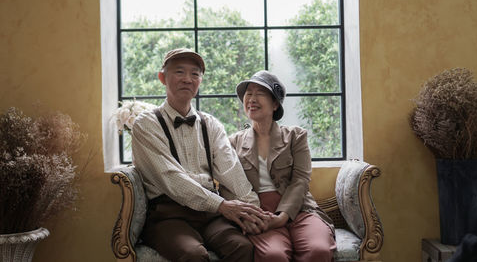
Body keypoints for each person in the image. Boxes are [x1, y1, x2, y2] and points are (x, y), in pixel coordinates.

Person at [131, 48, 271, 262]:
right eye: (179, 72)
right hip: (168, 216)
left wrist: (253, 210)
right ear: (162, 77)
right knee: (193, 255)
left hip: (210, 215)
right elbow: (171, 179)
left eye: (195, 74)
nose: (188, 79)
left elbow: (231, 170)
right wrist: (222, 205)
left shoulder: (211, 124)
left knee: (242, 248)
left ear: (200, 81)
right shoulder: (146, 124)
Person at [229, 70, 337, 262]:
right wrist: (247, 217)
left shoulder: (296, 136)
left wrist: (282, 216)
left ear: (275, 104)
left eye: (259, 93)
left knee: (318, 250)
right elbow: (228, 185)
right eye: (248, 93)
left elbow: (301, 180)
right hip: (258, 213)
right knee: (273, 256)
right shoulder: (232, 142)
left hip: (300, 209)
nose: (252, 99)